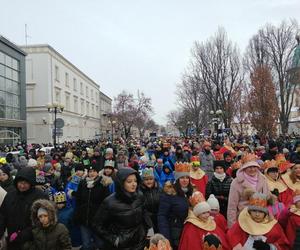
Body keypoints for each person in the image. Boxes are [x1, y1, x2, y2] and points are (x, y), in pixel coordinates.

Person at [93, 167, 152, 250]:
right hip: (122, 246)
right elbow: (97, 225)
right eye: (129, 181)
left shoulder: (140, 196)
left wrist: (149, 229)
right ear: (121, 183)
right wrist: (114, 240)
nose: (134, 184)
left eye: (135, 181)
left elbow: (144, 213)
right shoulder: (109, 202)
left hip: (140, 242)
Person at [0, 167, 48, 250]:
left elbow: (43, 220)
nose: (22, 186)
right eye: (20, 182)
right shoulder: (11, 195)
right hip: (12, 240)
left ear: (31, 183)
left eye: (25, 183)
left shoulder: (40, 197)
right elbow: (2, 215)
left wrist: (25, 234)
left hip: (32, 242)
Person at [71, 162, 110, 250]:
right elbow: (79, 200)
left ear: (97, 172)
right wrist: (78, 215)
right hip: (84, 219)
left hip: (97, 220)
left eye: (94, 171)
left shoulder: (102, 184)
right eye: (90, 171)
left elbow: (106, 202)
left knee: (100, 243)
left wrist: (104, 218)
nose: (91, 173)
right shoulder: (83, 183)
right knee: (86, 244)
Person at [227, 153, 269, 228]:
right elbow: (232, 206)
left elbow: (267, 197)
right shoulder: (237, 182)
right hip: (244, 218)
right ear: (244, 168)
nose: (252, 169)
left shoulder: (263, 179)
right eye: (249, 167)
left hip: (260, 217)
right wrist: (232, 226)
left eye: (254, 166)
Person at [158, 162, 193, 249]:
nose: (185, 180)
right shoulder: (169, 194)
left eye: (187, 177)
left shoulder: (190, 192)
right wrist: (166, 237)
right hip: (174, 233)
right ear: (177, 179)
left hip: (187, 232)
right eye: (182, 178)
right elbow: (162, 216)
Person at [140, 167, 161, 232]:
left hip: (159, 219)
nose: (149, 181)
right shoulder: (140, 192)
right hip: (147, 221)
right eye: (146, 179)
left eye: (151, 179)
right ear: (143, 181)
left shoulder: (159, 190)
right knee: (150, 238)